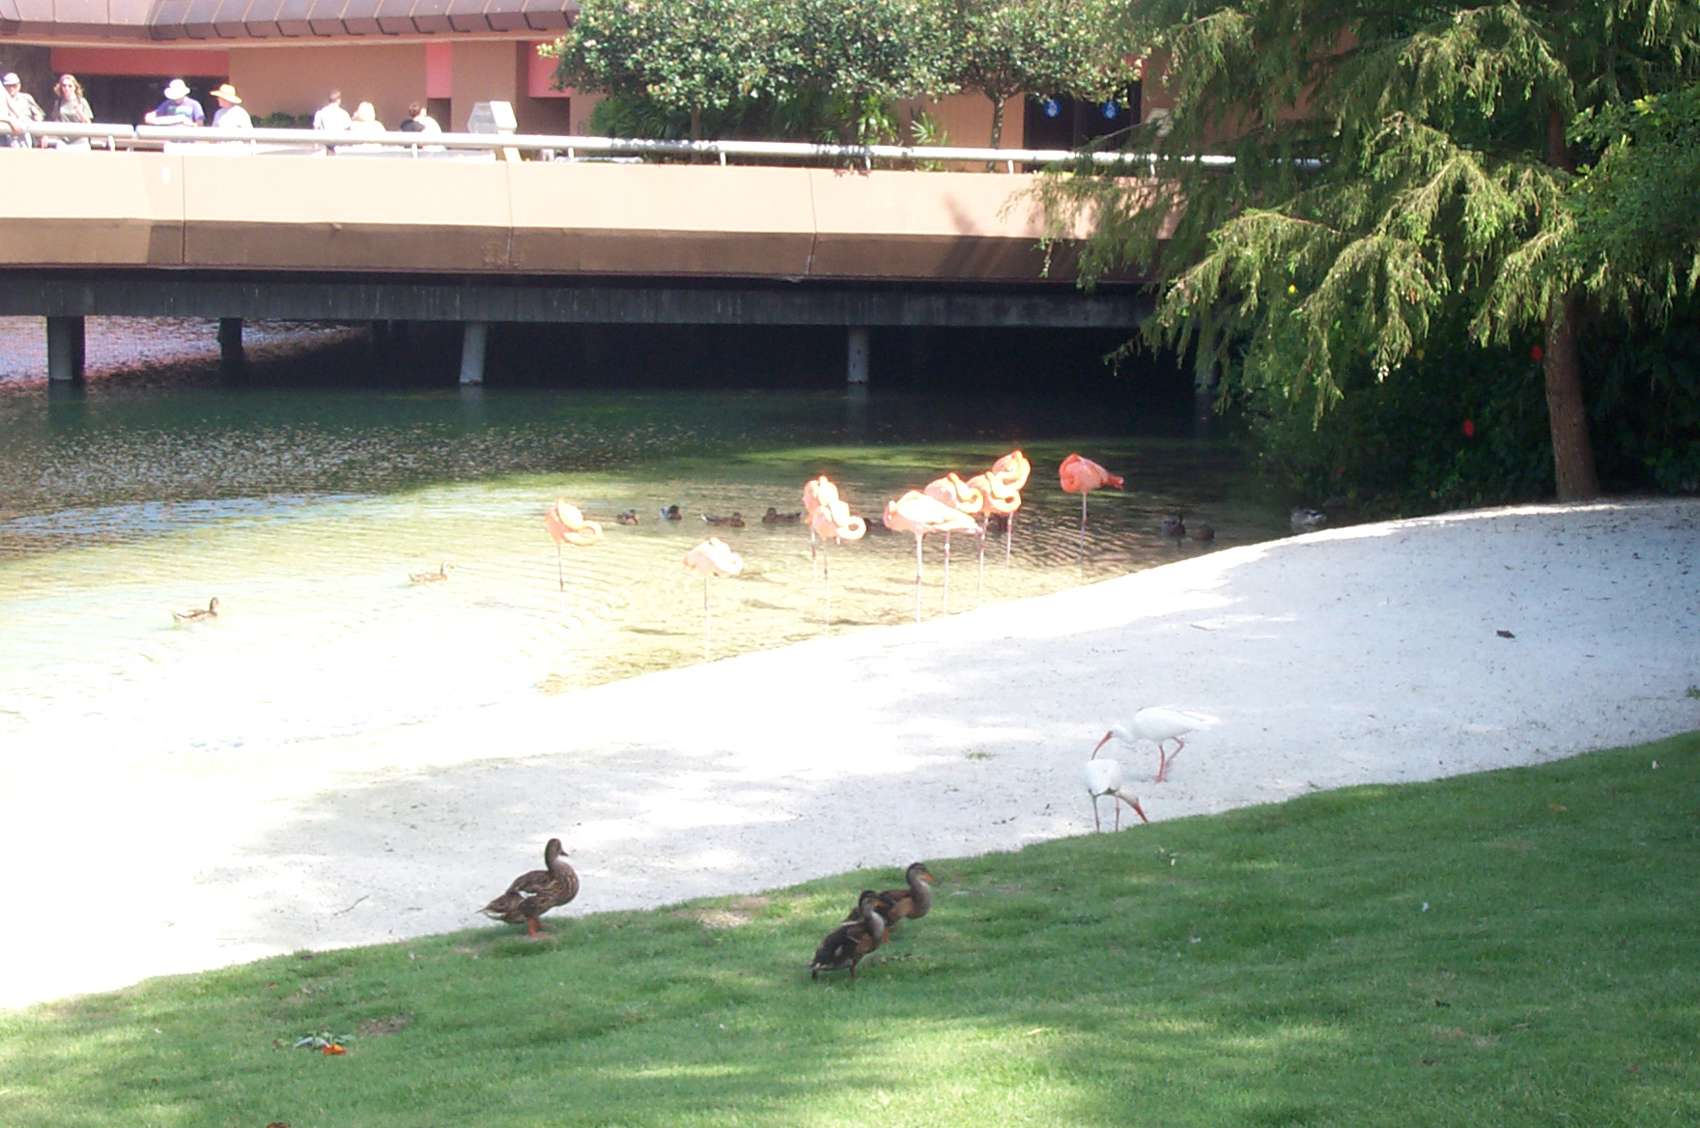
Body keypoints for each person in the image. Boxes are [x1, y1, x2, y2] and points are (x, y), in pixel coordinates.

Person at [1, 72, 45, 148]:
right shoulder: (2, 100)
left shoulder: (26, 98)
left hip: (25, 134)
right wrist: (10, 120)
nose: (11, 88)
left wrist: (42, 134)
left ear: (19, 85)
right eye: (8, 86)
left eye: (14, 85)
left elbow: (38, 115)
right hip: (6, 136)